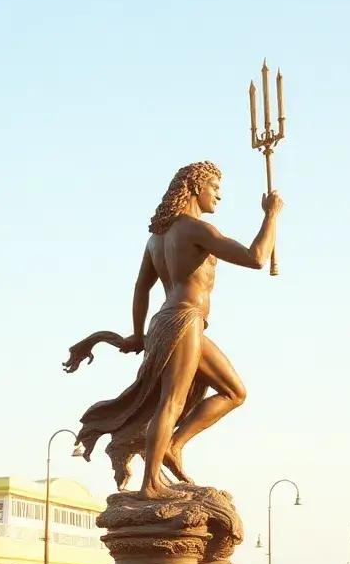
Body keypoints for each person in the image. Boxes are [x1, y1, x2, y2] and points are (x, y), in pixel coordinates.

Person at [70, 162, 284, 498]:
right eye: (215, 187)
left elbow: (142, 287)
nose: (219, 195)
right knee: (171, 401)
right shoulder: (197, 230)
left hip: (169, 321)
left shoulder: (156, 239)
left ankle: (173, 445)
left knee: (234, 392)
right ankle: (150, 484)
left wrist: (139, 333)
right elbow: (256, 258)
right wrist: (271, 215)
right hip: (185, 320)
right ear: (196, 187)